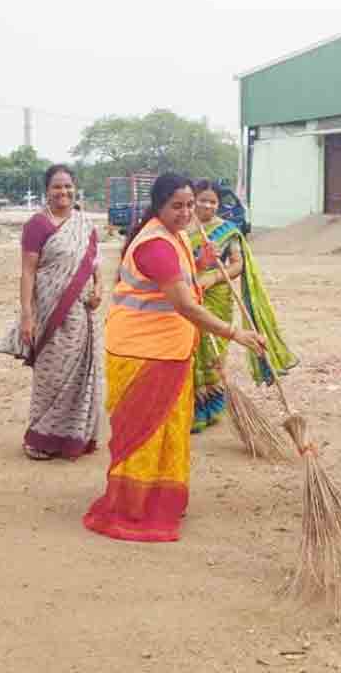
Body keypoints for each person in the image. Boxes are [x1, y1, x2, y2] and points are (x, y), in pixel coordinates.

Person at [84, 174, 266, 543]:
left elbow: (184, 280)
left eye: (189, 205)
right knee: (144, 433)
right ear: (159, 206)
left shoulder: (177, 237)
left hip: (169, 349)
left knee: (168, 429)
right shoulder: (155, 245)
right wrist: (236, 334)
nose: (185, 213)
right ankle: (134, 506)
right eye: (177, 206)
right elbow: (184, 303)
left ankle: (160, 498)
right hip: (141, 351)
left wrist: (200, 260)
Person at [189, 179, 297, 434]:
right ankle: (191, 408)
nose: (207, 205)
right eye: (202, 200)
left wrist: (214, 277)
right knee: (191, 349)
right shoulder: (182, 229)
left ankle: (211, 408)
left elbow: (237, 264)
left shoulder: (228, 230)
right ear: (193, 201)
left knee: (213, 350)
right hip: (188, 294)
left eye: (213, 201)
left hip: (218, 296)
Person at [18, 164, 103, 460]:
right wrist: (26, 315)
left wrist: (99, 289)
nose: (63, 192)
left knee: (81, 375)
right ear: (47, 190)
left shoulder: (84, 224)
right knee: (50, 377)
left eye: (68, 186)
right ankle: (40, 439)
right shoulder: (37, 225)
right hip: (49, 313)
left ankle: (75, 438)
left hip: (81, 314)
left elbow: (94, 264)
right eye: (57, 186)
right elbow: (28, 272)